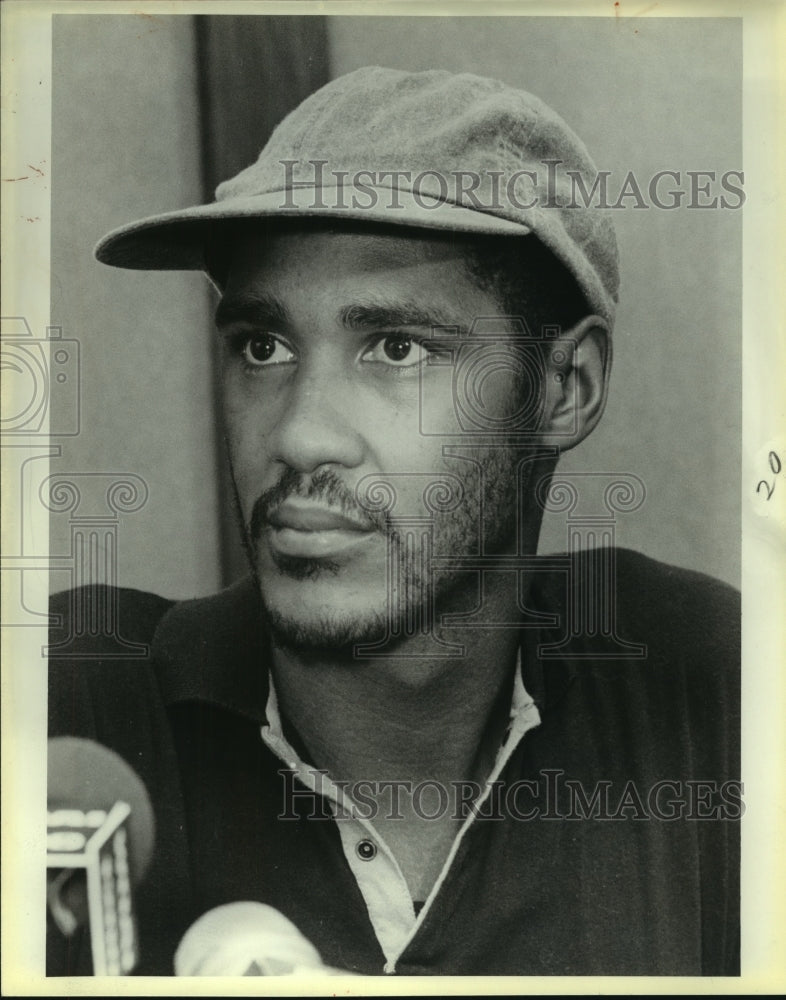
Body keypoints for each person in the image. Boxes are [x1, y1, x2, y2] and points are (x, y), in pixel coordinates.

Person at [48, 66, 740, 976]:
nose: (298, 434)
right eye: (263, 347)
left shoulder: (714, 707)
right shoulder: (74, 712)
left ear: (565, 389)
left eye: (397, 348)